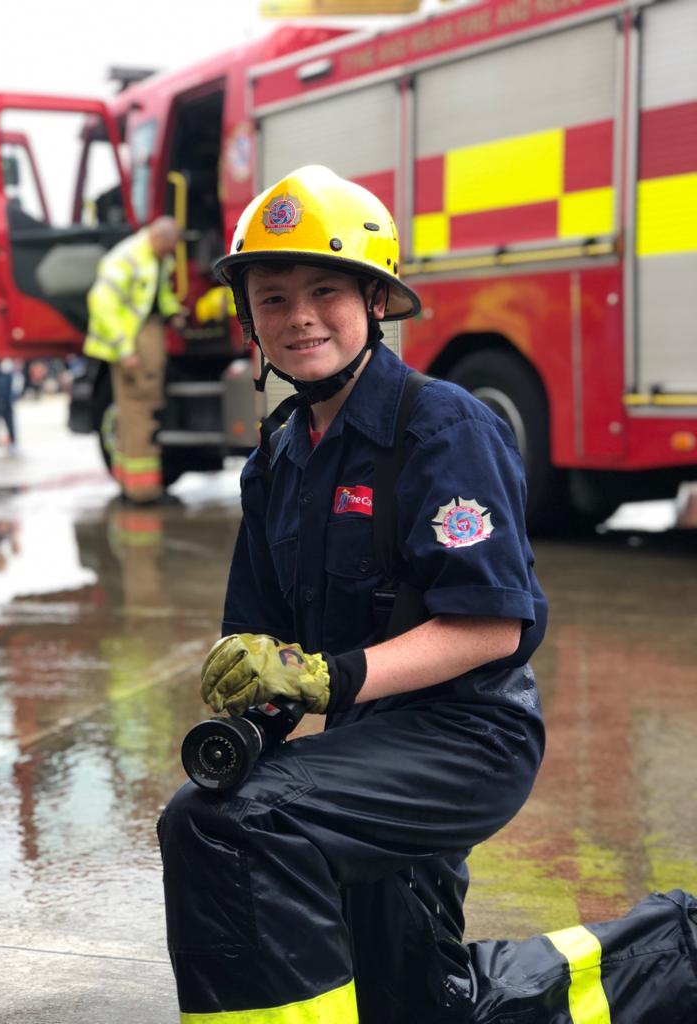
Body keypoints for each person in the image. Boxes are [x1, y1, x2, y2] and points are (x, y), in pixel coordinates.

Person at [157, 166, 547, 1024]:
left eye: (325, 289)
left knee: (221, 825)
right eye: (272, 295)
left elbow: (487, 626)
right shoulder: (278, 459)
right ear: (248, 318)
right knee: (413, 996)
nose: (298, 316)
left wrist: (327, 679)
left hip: (468, 738)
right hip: (364, 748)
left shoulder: (442, 426)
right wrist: (252, 696)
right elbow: (261, 636)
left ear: (375, 302)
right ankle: (671, 958)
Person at [84, 216, 187, 505]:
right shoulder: (127, 258)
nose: (171, 255)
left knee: (138, 414)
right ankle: (142, 492)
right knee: (139, 414)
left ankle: (133, 486)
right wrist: (124, 349)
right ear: (159, 239)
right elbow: (101, 302)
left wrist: (173, 313)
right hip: (134, 346)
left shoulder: (154, 260)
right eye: (169, 248)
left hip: (144, 341)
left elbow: (158, 296)